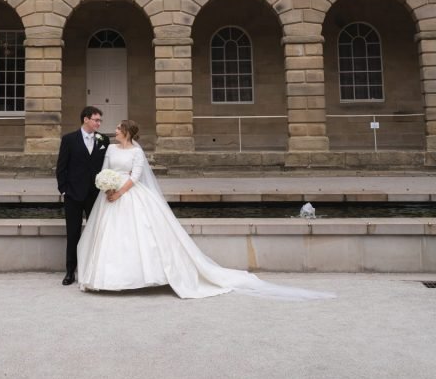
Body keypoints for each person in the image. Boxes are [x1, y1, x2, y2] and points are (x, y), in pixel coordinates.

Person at [77, 120, 333, 301]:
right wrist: (107, 186)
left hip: (130, 194)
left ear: (128, 132)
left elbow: (136, 175)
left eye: (119, 129)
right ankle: (105, 279)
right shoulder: (110, 148)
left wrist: (120, 191)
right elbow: (106, 169)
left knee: (142, 236)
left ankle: (141, 278)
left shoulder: (136, 151)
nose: (116, 131)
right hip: (109, 195)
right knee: (110, 237)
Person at [56, 105, 110, 286]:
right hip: (73, 195)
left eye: (100, 120)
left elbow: (106, 165)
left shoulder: (104, 140)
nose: (99, 123)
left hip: (95, 194)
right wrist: (63, 189)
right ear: (86, 119)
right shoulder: (69, 139)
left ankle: (94, 269)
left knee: (96, 233)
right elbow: (61, 166)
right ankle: (70, 271)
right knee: (73, 234)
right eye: (96, 120)